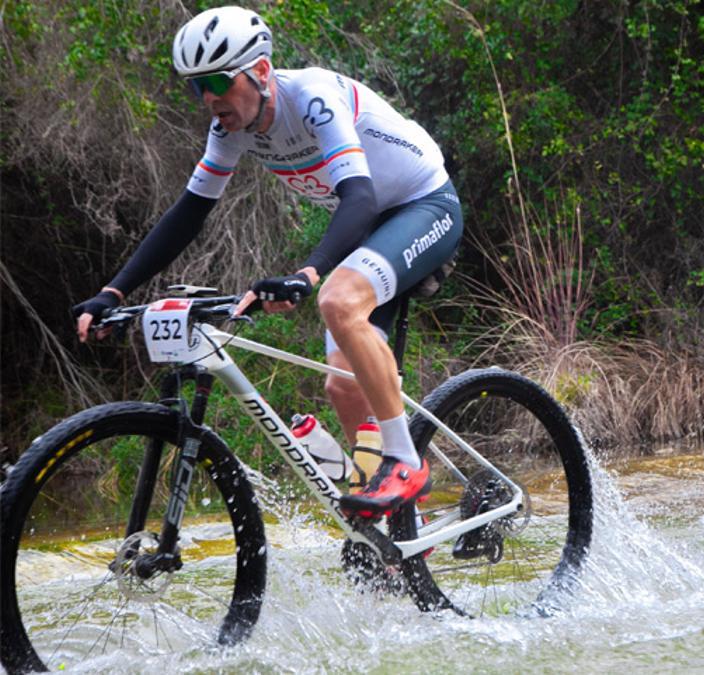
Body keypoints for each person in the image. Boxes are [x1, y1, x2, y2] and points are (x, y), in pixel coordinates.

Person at [71, 6, 460, 520]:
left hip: (421, 205)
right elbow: (190, 213)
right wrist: (113, 292)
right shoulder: (230, 128)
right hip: (367, 225)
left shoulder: (314, 96)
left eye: (216, 81)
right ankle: (399, 528)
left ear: (258, 72)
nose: (209, 99)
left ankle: (407, 463)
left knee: (337, 301)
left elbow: (360, 197)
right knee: (342, 385)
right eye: (196, 87)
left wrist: (308, 273)